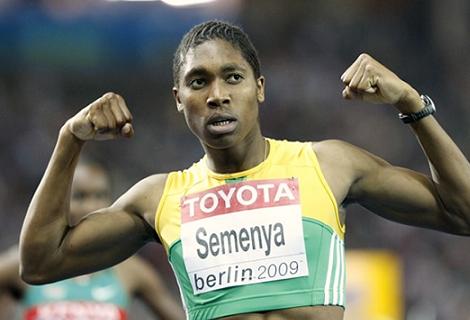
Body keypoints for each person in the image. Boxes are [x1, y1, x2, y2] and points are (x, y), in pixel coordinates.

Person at [18, 20, 470, 320]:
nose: (217, 94)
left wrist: (412, 104)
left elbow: (464, 212)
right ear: (179, 100)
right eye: (199, 81)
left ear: (259, 89)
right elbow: (39, 263)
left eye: (232, 77)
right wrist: (69, 139)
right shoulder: (158, 198)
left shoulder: (328, 164)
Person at [1, 161, 185, 320]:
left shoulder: (131, 270)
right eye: (80, 196)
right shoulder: (23, 264)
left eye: (100, 196)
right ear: (59, 201)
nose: (92, 206)